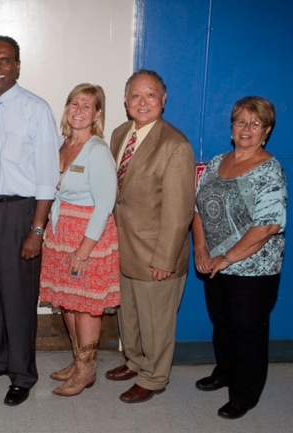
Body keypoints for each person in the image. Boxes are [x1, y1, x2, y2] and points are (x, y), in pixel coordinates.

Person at [0, 36, 59, 406]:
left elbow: (47, 176)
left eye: (5, 60)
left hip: (20, 212)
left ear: (18, 66)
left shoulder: (36, 109)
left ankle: (22, 372)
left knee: (18, 298)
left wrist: (37, 229)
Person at [193, 96, 286, 420]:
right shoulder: (217, 162)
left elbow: (268, 225)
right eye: (240, 121)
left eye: (255, 123)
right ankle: (225, 372)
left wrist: (225, 258)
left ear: (267, 131)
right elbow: (197, 208)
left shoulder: (269, 169)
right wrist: (201, 251)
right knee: (222, 323)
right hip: (216, 264)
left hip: (253, 270)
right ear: (232, 127)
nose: (246, 128)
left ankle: (245, 394)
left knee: (248, 331)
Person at [105, 70, 195, 403]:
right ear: (126, 101)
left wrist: (165, 260)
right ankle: (135, 361)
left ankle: (154, 377)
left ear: (163, 99)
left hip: (157, 252)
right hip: (123, 247)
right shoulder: (119, 134)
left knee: (156, 323)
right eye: (136, 96)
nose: (143, 102)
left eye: (151, 95)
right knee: (129, 315)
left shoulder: (175, 145)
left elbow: (179, 211)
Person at [39, 84, 120, 397]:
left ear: (97, 113)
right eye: (74, 103)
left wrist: (84, 252)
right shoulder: (62, 144)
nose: (78, 110)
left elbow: (104, 204)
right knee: (69, 303)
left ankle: (87, 371)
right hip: (60, 234)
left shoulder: (97, 150)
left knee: (86, 307)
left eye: (87, 105)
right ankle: (78, 361)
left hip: (88, 239)